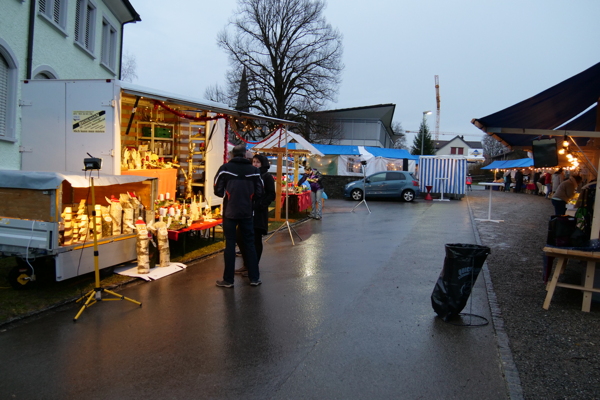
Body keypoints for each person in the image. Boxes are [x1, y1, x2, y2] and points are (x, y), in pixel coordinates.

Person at [213, 144, 264, 288]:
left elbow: (217, 189)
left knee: (230, 244)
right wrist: (250, 198)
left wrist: (228, 194)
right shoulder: (254, 171)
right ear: (245, 156)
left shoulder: (225, 169)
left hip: (230, 211)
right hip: (247, 211)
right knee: (249, 244)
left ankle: (228, 280)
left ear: (233, 155)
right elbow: (260, 192)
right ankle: (254, 278)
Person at [235, 154, 276, 277]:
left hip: (258, 212)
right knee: (240, 237)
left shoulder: (267, 177)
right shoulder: (250, 175)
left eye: (258, 162)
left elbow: (271, 195)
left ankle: (253, 267)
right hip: (246, 211)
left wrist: (260, 204)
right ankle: (247, 264)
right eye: (253, 161)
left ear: (263, 163)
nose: (255, 164)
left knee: (255, 239)